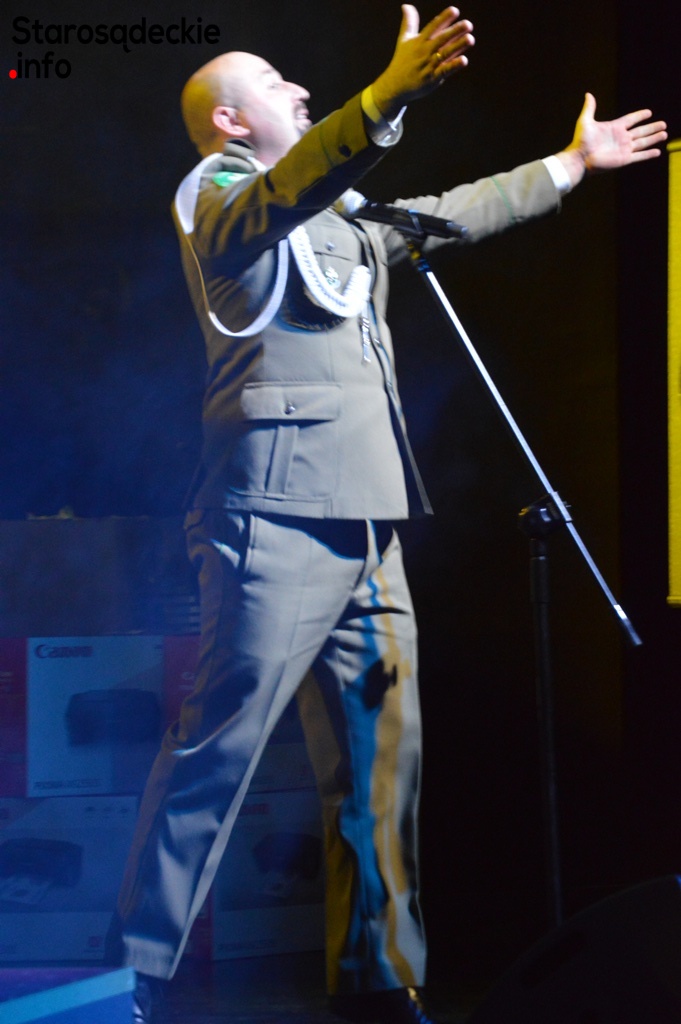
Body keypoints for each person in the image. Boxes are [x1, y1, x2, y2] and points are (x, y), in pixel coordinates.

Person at [109, 6, 667, 1023]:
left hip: (371, 518)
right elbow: (285, 190)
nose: (299, 89)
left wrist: (569, 165)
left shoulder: (341, 219)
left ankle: (380, 982)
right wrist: (381, 98)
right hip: (274, 514)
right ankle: (133, 976)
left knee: (380, 771)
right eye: (274, 82)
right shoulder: (219, 202)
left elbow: (449, 214)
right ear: (229, 120)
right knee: (216, 753)